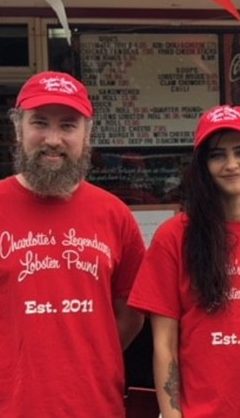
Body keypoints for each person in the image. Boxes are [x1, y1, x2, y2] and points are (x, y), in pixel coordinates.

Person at [127, 104, 240, 418]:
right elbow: (165, 343)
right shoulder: (174, 236)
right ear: (202, 165)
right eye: (217, 155)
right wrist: (171, 415)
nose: (231, 164)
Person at [0, 71, 146, 417]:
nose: (53, 139)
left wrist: (92, 353)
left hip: (97, 406)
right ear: (18, 129)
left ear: (87, 134)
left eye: (68, 125)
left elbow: (131, 312)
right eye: (40, 123)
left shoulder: (115, 215)